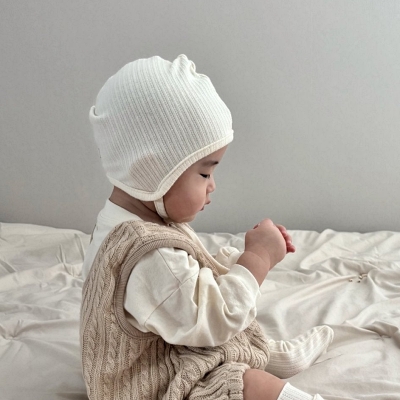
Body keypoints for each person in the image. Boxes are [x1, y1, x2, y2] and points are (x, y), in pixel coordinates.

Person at [80, 54, 333, 400]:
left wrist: (236, 260)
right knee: (242, 382)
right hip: (151, 386)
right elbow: (216, 319)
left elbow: (185, 287)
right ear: (152, 169)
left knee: (229, 338)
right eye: (204, 172)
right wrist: (256, 260)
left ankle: (267, 355)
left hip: (166, 348)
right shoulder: (148, 255)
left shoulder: (126, 222)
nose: (212, 185)